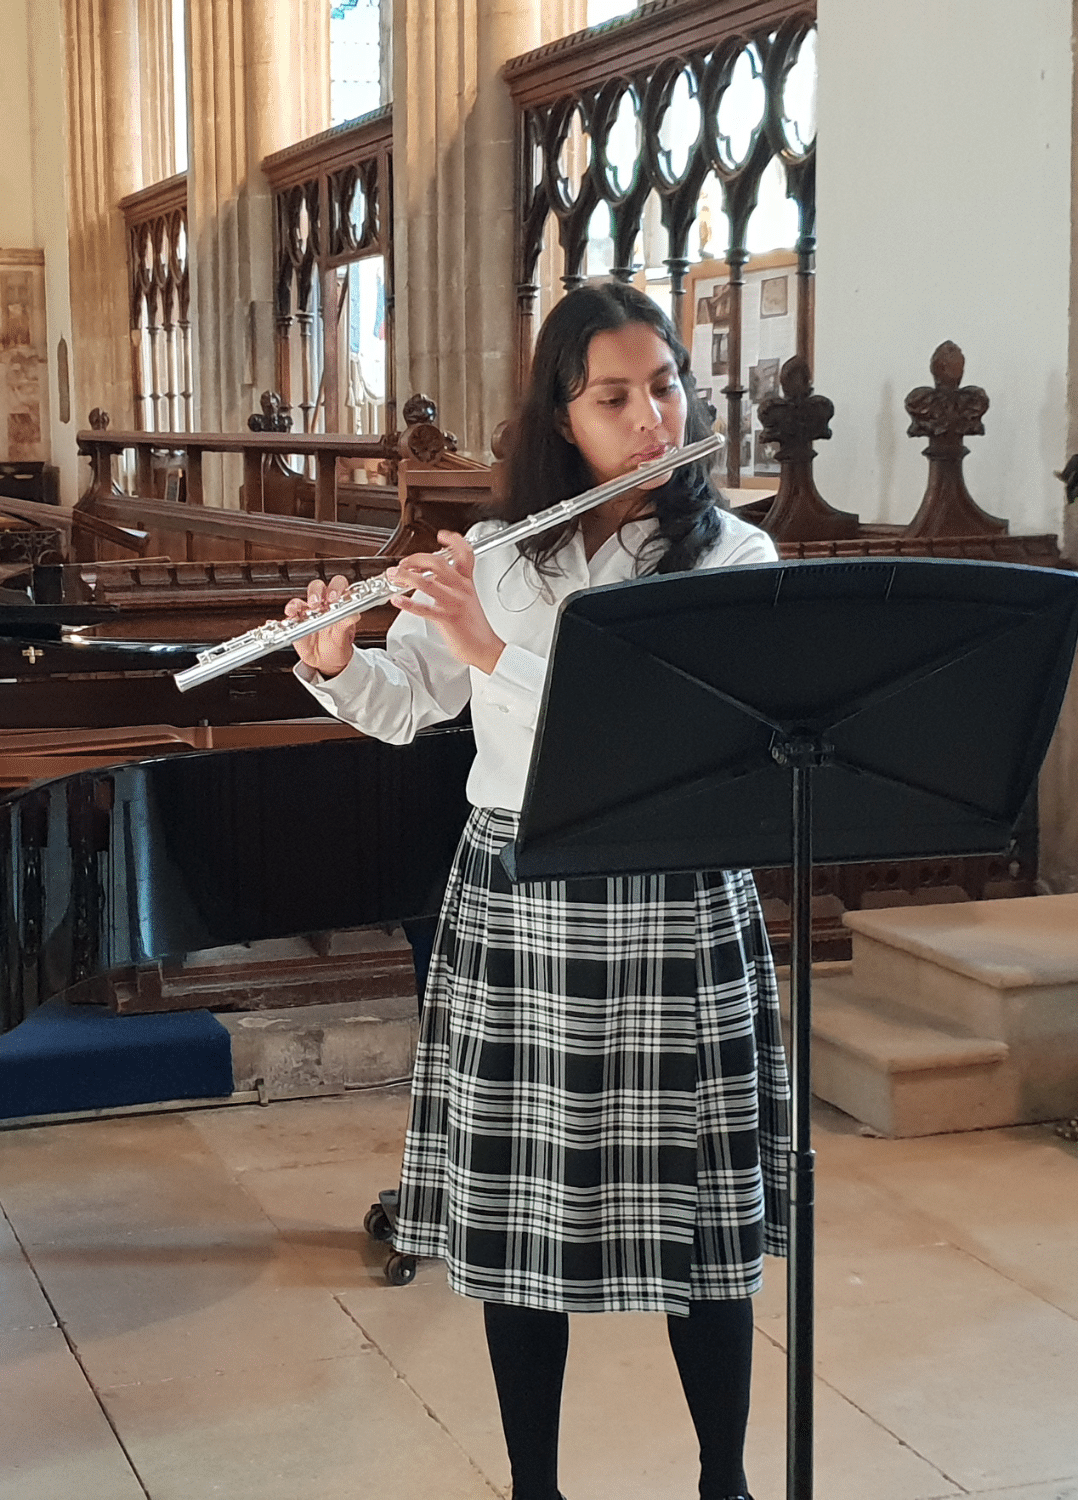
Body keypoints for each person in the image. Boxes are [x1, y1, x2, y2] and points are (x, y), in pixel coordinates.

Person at [287, 281, 787, 1500]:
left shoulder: (734, 556)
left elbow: (666, 732)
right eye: (613, 397)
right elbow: (416, 706)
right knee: (523, 1224)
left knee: (697, 1216)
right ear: (563, 418)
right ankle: (533, 1486)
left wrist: (491, 651)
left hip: (673, 889)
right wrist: (333, 660)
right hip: (522, 888)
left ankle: (722, 1479)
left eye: (662, 388)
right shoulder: (500, 555)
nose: (649, 417)